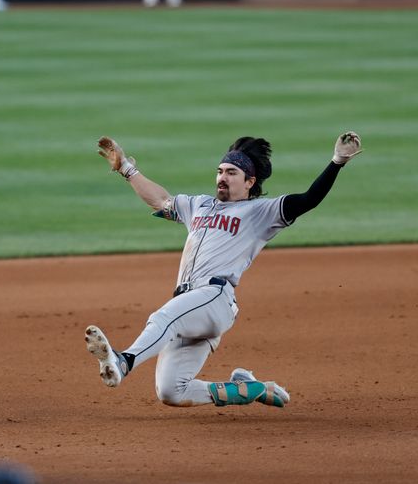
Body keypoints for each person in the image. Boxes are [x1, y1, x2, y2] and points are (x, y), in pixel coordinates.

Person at [86, 132, 362, 408]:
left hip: (214, 297)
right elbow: (160, 199)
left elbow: (308, 199)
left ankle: (124, 361)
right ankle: (247, 388)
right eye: (220, 171)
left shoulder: (260, 212)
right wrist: (125, 168)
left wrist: (337, 161)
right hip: (190, 306)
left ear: (250, 182)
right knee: (171, 391)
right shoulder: (199, 205)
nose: (222, 177)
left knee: (163, 318)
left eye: (232, 172)